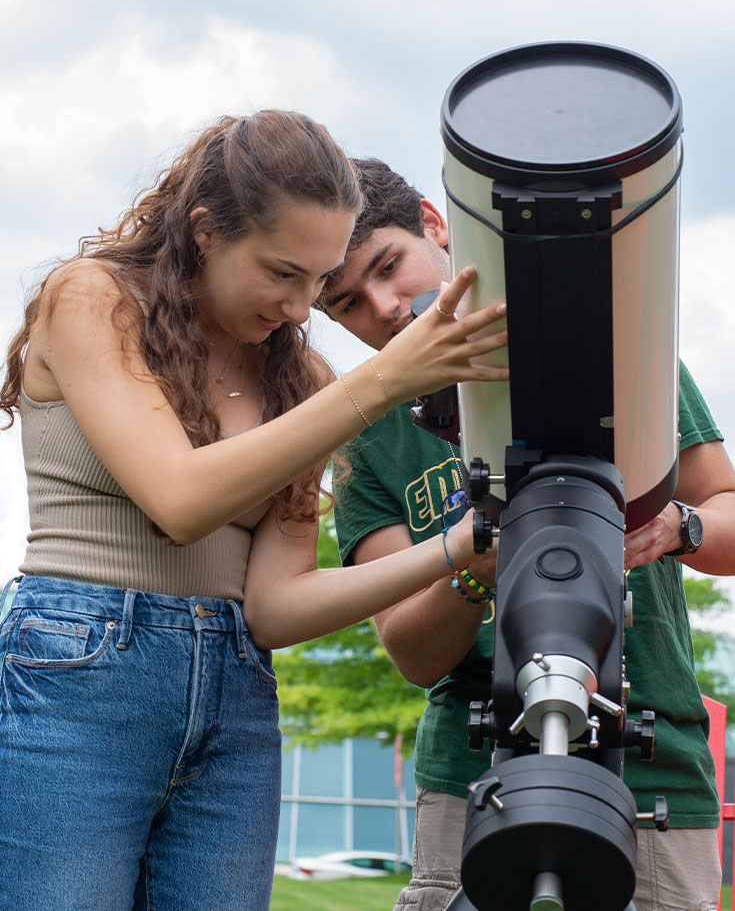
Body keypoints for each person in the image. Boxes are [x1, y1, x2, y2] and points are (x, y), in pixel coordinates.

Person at [0, 113, 509, 911]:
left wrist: (462, 546)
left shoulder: (297, 374)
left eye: (319, 278)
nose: (305, 307)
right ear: (206, 230)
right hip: (81, 673)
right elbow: (181, 500)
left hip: (237, 689)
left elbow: (274, 607)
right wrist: (380, 383)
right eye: (284, 273)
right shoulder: (94, 298)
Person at [321, 157, 735, 911]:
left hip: (655, 770)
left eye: (389, 265)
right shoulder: (360, 437)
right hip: (474, 782)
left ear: (434, 222)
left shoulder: (616, 349)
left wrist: (680, 526)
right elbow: (412, 653)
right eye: (346, 303)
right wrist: (477, 558)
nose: (382, 307)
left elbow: (729, 519)